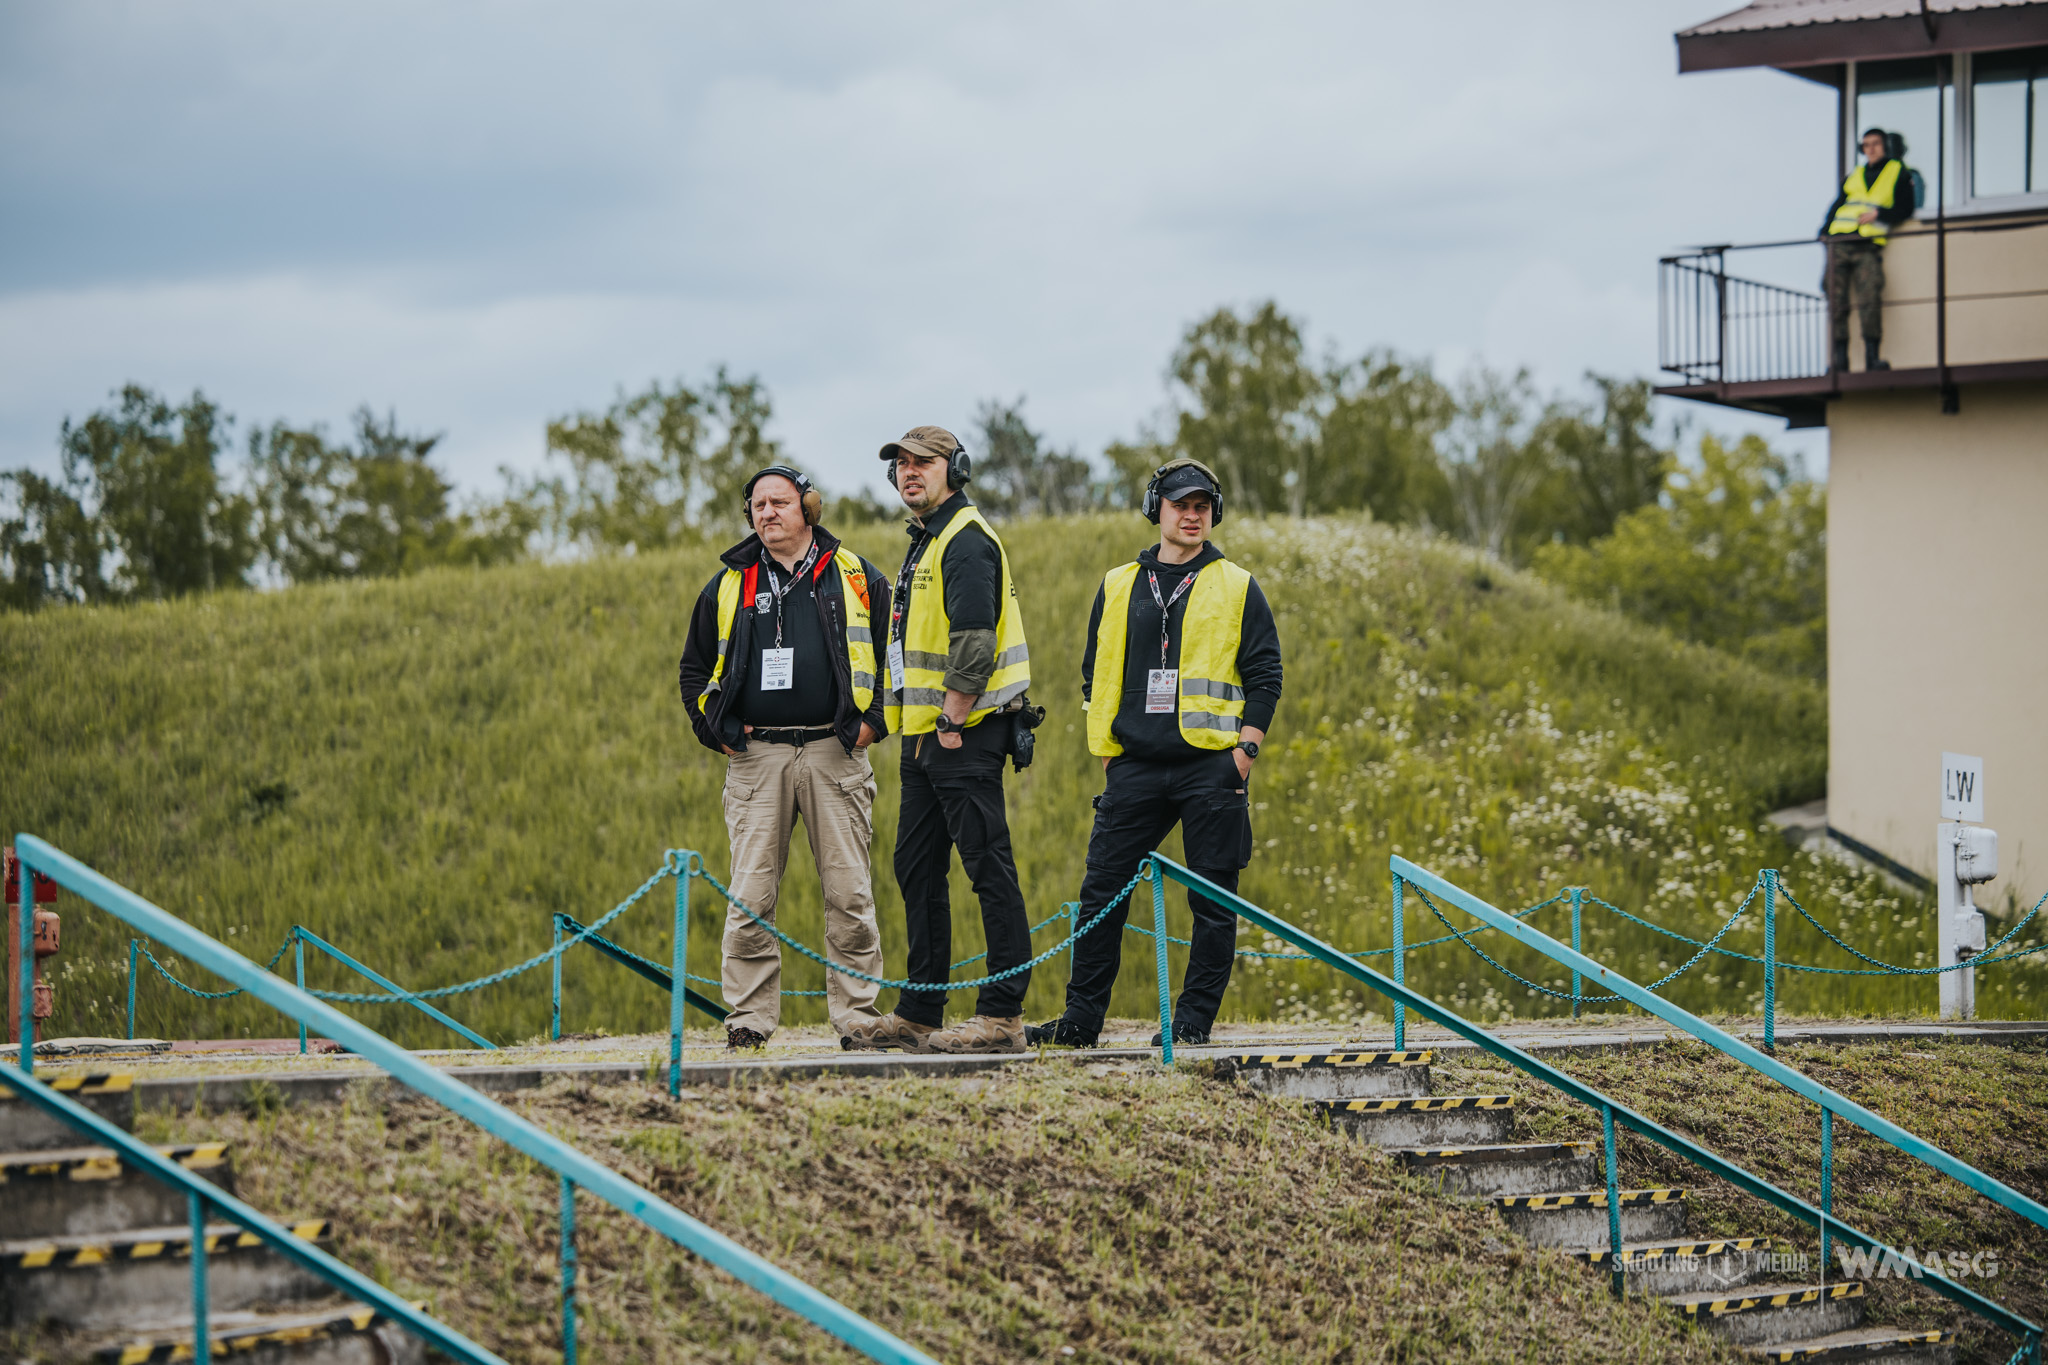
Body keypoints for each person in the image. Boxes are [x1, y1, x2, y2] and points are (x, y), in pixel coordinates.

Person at [1027, 458, 1282, 1048]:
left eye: (1202, 507)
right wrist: (1111, 753)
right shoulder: (1119, 583)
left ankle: (1191, 1025)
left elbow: (1265, 674)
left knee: (1212, 900)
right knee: (1102, 893)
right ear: (1157, 509)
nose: (1192, 516)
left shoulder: (1237, 584)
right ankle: (1081, 1023)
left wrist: (1244, 751)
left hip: (1210, 765)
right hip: (1135, 765)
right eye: (1180, 506)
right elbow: (1096, 671)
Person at [677, 465, 893, 1051]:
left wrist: (875, 723)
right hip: (757, 756)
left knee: (849, 893)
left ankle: (858, 1018)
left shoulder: (853, 575)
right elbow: (694, 668)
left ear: (808, 508)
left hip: (834, 750)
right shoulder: (729, 583)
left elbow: (890, 650)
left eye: (780, 502)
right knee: (750, 894)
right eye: (757, 504)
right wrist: (711, 728)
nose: (767, 512)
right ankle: (748, 1019)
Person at [843, 425, 1035, 1056]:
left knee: (987, 867)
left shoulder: (965, 540)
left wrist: (951, 720)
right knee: (917, 868)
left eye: (922, 462)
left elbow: (975, 642)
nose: (908, 472)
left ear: (957, 467)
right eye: (900, 464)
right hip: (926, 738)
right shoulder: (928, 539)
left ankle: (1002, 1015)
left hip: (962, 733)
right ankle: (920, 1013)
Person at [1822, 126, 1916, 374]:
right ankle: (1839, 360)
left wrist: (1880, 214)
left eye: (1875, 144)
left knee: (1869, 298)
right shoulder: (1855, 175)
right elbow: (1837, 205)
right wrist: (1824, 232)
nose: (1870, 149)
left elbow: (1906, 207)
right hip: (1840, 243)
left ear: (1885, 146)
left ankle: (1872, 357)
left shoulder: (1897, 172)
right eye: (1866, 145)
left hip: (1867, 246)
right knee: (1836, 300)